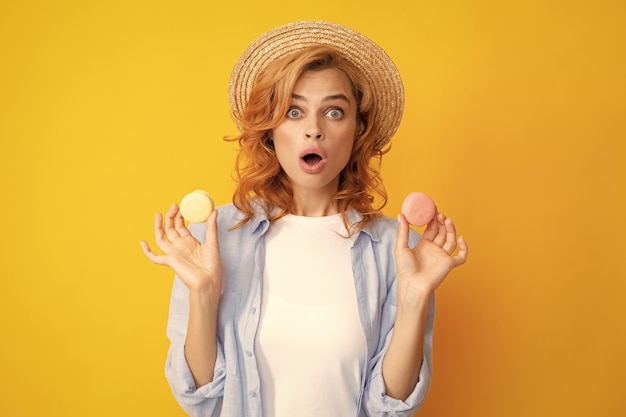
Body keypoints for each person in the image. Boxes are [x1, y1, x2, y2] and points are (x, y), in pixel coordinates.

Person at [140, 20, 468, 417]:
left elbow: (389, 410)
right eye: (294, 111)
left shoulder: (395, 250)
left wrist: (415, 297)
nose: (313, 130)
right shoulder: (215, 238)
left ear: (358, 130)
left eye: (334, 111)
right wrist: (203, 294)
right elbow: (202, 400)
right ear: (270, 130)